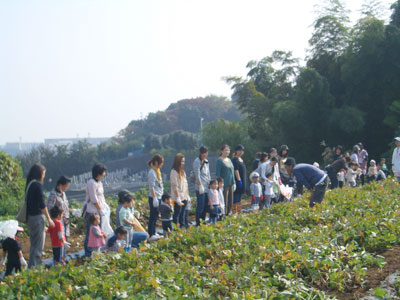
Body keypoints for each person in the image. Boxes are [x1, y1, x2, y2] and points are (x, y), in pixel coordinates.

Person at [26, 164, 55, 268]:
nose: (44, 176)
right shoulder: (38, 185)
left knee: (34, 245)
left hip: (31, 218)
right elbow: (42, 204)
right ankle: (35, 268)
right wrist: (49, 219)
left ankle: (32, 267)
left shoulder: (30, 184)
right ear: (39, 174)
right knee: (38, 246)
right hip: (37, 218)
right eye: (43, 174)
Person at [83, 163, 107, 257]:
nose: (104, 174)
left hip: (98, 211)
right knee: (91, 233)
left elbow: (101, 197)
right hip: (92, 212)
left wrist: (104, 207)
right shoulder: (91, 183)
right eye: (103, 172)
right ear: (98, 173)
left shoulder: (99, 183)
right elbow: (93, 198)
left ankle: (97, 251)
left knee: (98, 232)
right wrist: (100, 209)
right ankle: (88, 253)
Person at [47, 175, 71, 258]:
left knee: (65, 240)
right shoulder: (54, 194)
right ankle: (59, 261)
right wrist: (57, 214)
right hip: (59, 221)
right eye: (66, 186)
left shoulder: (63, 194)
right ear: (60, 185)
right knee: (60, 242)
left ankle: (62, 259)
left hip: (65, 220)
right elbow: (49, 207)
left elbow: (66, 207)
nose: (66, 188)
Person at [193, 146, 211, 226]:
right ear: (200, 153)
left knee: (205, 205)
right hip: (200, 187)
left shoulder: (206, 161)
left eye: (206, 153)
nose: (205, 154)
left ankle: (203, 221)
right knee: (200, 205)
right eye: (203, 153)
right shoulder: (197, 161)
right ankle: (198, 222)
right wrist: (200, 185)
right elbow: (197, 174)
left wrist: (210, 184)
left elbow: (208, 174)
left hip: (206, 186)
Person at [171, 153, 190, 228]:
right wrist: (177, 197)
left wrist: (187, 195)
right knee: (177, 214)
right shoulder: (174, 171)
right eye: (182, 161)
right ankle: (175, 228)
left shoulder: (182, 172)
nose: (183, 163)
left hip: (184, 196)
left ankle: (182, 227)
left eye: (183, 161)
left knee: (183, 214)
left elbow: (185, 184)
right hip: (178, 197)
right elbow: (174, 185)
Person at [147, 154, 164, 238]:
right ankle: (151, 233)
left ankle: (154, 232)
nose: (162, 165)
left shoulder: (157, 171)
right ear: (156, 162)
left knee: (156, 215)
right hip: (154, 197)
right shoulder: (152, 172)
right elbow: (151, 187)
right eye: (161, 163)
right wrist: (154, 198)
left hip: (158, 196)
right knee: (153, 216)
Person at [216, 145, 235, 215]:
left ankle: (229, 213)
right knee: (224, 201)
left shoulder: (229, 160)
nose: (227, 152)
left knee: (231, 200)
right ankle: (224, 215)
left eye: (228, 150)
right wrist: (219, 184)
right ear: (222, 151)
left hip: (231, 183)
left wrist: (234, 182)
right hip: (224, 184)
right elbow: (218, 174)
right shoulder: (219, 160)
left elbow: (232, 171)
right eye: (226, 150)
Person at [232, 145, 247, 214]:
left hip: (243, 180)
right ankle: (235, 212)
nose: (241, 152)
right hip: (238, 180)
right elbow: (236, 170)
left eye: (242, 151)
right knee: (236, 197)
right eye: (239, 150)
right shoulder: (235, 159)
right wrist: (239, 180)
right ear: (236, 151)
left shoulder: (241, 159)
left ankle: (239, 211)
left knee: (239, 197)